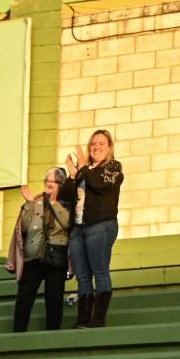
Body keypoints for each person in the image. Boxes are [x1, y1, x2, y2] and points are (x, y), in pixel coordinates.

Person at [62, 130, 124, 329]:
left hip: (101, 225)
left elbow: (100, 185)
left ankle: (98, 319)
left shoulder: (112, 167)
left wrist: (84, 168)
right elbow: (65, 198)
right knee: (82, 277)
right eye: (93, 144)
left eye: (101, 144)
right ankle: (83, 320)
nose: (96, 147)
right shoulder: (84, 171)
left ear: (109, 148)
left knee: (100, 271)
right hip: (79, 228)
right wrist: (72, 177)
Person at [10, 168, 73, 333]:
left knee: (54, 296)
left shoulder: (67, 202)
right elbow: (23, 227)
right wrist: (28, 205)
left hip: (56, 254)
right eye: (48, 181)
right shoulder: (35, 201)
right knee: (24, 296)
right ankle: (18, 333)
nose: (50, 184)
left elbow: (68, 224)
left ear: (62, 184)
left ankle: (52, 334)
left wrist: (53, 202)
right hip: (33, 256)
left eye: (55, 181)